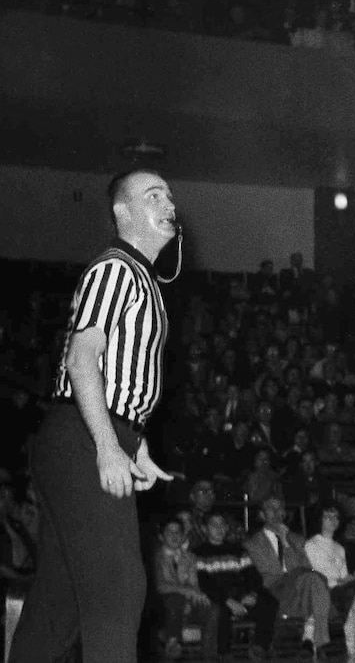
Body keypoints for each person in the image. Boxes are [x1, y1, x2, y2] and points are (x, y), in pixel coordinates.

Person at [11, 169, 178, 663]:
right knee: (119, 587)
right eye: (153, 194)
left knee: (58, 606)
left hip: (93, 432)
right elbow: (82, 358)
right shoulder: (115, 269)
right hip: (82, 435)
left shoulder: (142, 279)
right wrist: (107, 444)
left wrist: (135, 444)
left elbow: (122, 374)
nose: (169, 201)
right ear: (122, 212)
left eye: (169, 193)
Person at [244, 496, 334, 652]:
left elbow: (307, 567)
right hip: (274, 589)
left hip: (300, 587)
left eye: (280, 509)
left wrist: (286, 542)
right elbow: (269, 572)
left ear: (285, 514)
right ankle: (315, 635)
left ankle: (311, 636)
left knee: (313, 578)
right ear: (261, 515)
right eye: (270, 509)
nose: (276, 512)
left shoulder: (297, 540)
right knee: (314, 581)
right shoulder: (252, 543)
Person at [194, 511, 277, 661]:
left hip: (242, 596)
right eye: (214, 525)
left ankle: (259, 646)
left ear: (227, 528)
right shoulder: (199, 553)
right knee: (219, 609)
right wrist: (228, 601)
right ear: (205, 529)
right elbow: (205, 583)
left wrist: (252, 594)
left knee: (269, 601)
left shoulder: (238, 550)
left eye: (222, 525)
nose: (219, 528)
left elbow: (252, 575)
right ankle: (224, 653)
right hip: (221, 598)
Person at [153, 517, 217, 660]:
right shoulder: (156, 557)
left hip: (187, 604)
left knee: (211, 607)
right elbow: (161, 586)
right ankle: (173, 644)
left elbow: (194, 584)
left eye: (178, 533)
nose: (175, 536)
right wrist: (187, 592)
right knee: (174, 599)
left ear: (183, 537)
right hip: (163, 608)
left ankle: (209, 654)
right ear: (161, 536)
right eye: (170, 532)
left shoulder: (189, 557)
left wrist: (195, 596)